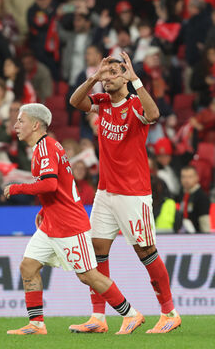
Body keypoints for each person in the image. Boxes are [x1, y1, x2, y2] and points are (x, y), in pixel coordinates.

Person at [2, 103, 145, 335]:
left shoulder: (46, 147)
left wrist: (16, 188)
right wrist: (45, 209)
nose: (16, 125)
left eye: (21, 120)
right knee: (28, 266)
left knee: (88, 275)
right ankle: (36, 324)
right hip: (52, 223)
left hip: (69, 225)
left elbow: (50, 184)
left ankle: (131, 315)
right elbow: (60, 187)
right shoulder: (44, 147)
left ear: (36, 125)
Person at [69, 52, 180, 334]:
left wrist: (136, 80)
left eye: (115, 72)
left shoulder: (134, 104)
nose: (109, 76)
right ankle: (98, 317)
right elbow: (75, 102)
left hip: (133, 192)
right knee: (96, 252)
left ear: (126, 76)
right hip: (105, 192)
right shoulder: (102, 102)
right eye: (107, 72)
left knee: (145, 251)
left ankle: (169, 313)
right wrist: (94, 76)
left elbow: (154, 115)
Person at [178, 165, 211, 233]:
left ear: (197, 178)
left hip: (197, 236)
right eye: (184, 177)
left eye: (190, 177)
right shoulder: (182, 194)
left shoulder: (201, 197)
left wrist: (206, 237)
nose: (186, 180)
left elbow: (204, 220)